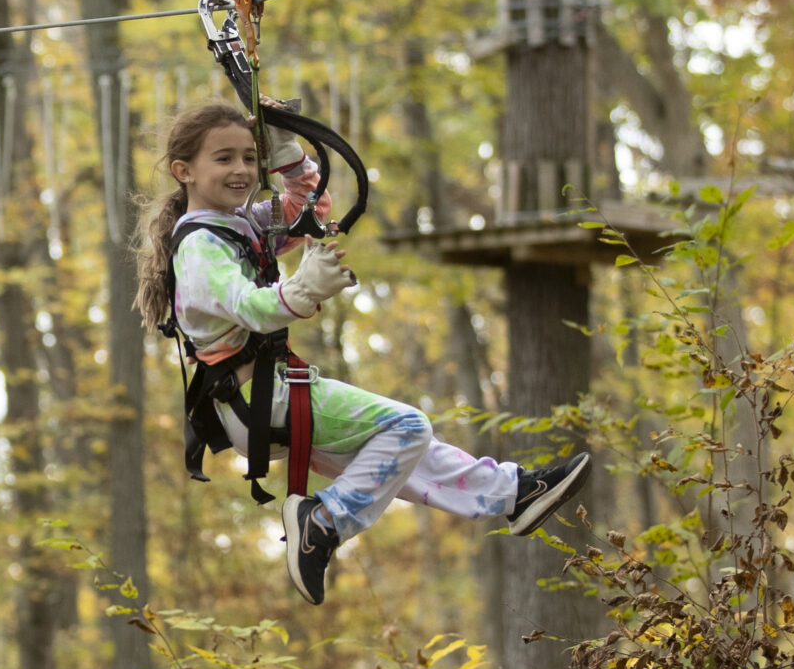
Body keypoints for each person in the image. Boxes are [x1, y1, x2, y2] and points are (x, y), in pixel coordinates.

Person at [135, 99, 589, 604]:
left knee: (404, 455)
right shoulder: (201, 247)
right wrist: (302, 290)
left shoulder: (237, 225)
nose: (241, 169)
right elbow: (251, 308)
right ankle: (323, 523)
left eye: (248, 157)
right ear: (184, 171)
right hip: (260, 400)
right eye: (223, 158)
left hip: (260, 402)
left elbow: (310, 207)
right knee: (408, 427)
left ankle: (512, 494)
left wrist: (286, 153)